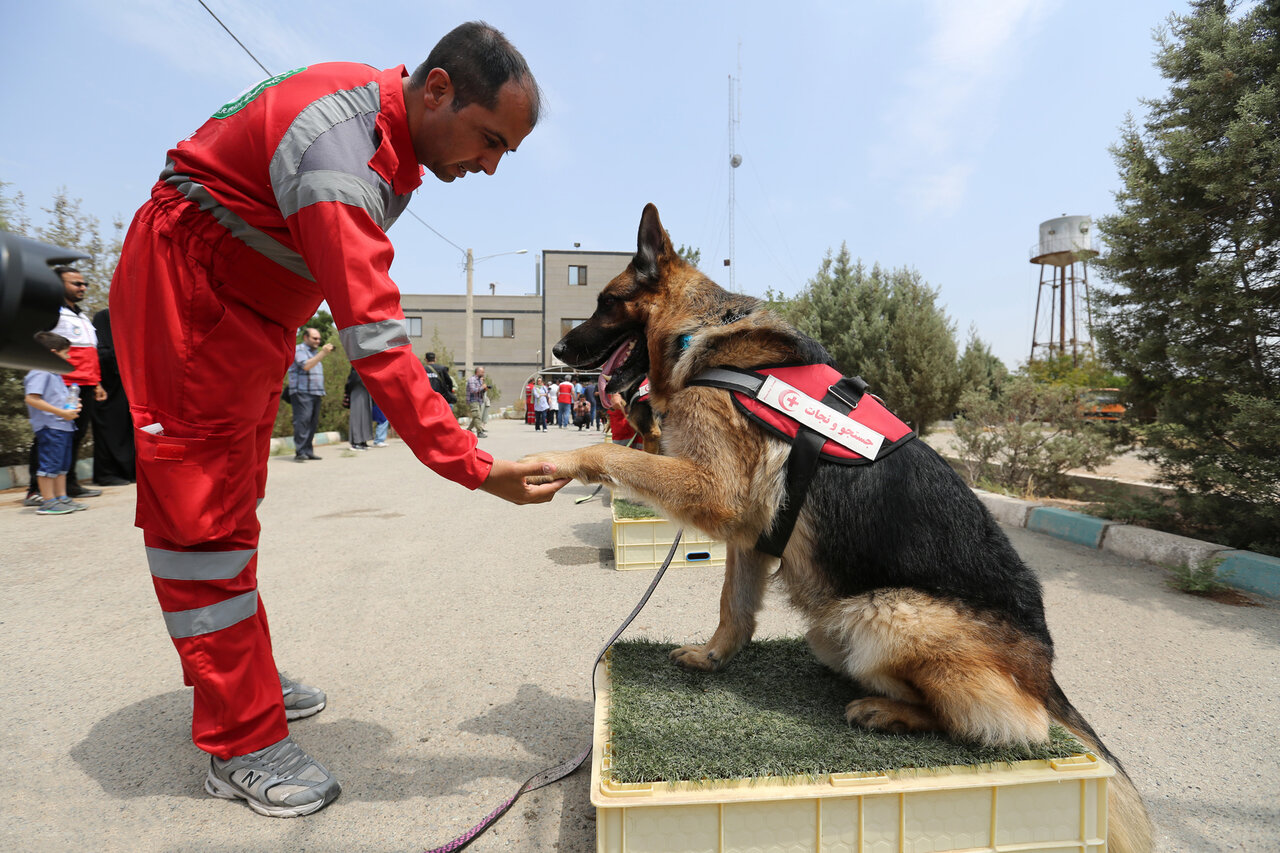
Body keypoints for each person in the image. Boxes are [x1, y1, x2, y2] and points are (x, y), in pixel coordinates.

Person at [108, 21, 568, 819]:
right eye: (490, 139)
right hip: (192, 291)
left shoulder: (386, 140)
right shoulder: (339, 144)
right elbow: (376, 335)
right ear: (437, 90)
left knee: (232, 502)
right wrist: (474, 464)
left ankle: (240, 671)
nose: (491, 165)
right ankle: (240, 739)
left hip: (251, 312)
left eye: (506, 153)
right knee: (200, 520)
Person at [23, 266, 105, 505]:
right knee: (48, 438)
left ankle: (68, 487)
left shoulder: (80, 315)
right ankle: (35, 490)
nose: (83, 288)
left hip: (85, 383)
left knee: (73, 438)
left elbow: (89, 351)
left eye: (84, 283)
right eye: (76, 283)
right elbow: (38, 344)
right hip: (61, 383)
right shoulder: (51, 313)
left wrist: (97, 381)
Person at [23, 332, 85, 515]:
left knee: (61, 465)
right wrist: (62, 412)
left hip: (63, 426)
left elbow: (57, 398)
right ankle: (48, 501)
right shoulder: (39, 371)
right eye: (66, 353)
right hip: (51, 427)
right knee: (49, 465)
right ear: (53, 353)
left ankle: (61, 498)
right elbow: (32, 399)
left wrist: (72, 406)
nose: (68, 356)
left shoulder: (54, 373)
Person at [90, 307, 136, 485]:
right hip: (108, 386)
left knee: (130, 428)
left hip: (129, 384)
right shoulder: (105, 316)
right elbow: (98, 353)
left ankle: (130, 471)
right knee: (109, 429)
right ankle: (106, 474)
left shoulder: (134, 317)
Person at [288, 326, 334, 461]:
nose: (318, 341)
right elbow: (306, 366)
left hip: (316, 392)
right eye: (315, 338)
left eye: (319, 339)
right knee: (302, 421)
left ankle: (308, 451)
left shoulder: (315, 353)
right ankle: (300, 451)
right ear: (305, 338)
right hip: (302, 392)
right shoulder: (299, 350)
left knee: (312, 423)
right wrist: (323, 353)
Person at [344, 367, 373, 450]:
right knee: (357, 417)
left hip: (365, 391)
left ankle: (363, 441)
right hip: (357, 391)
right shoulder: (357, 364)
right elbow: (354, 379)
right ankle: (356, 442)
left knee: (365, 417)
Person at [465, 365, 491, 437]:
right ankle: (479, 432)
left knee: (476, 417)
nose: (483, 374)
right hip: (473, 400)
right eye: (482, 372)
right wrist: (482, 387)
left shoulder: (480, 380)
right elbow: (473, 390)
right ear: (477, 372)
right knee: (477, 416)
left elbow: (480, 390)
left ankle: (468, 430)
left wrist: (484, 388)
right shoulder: (472, 380)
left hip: (479, 400)